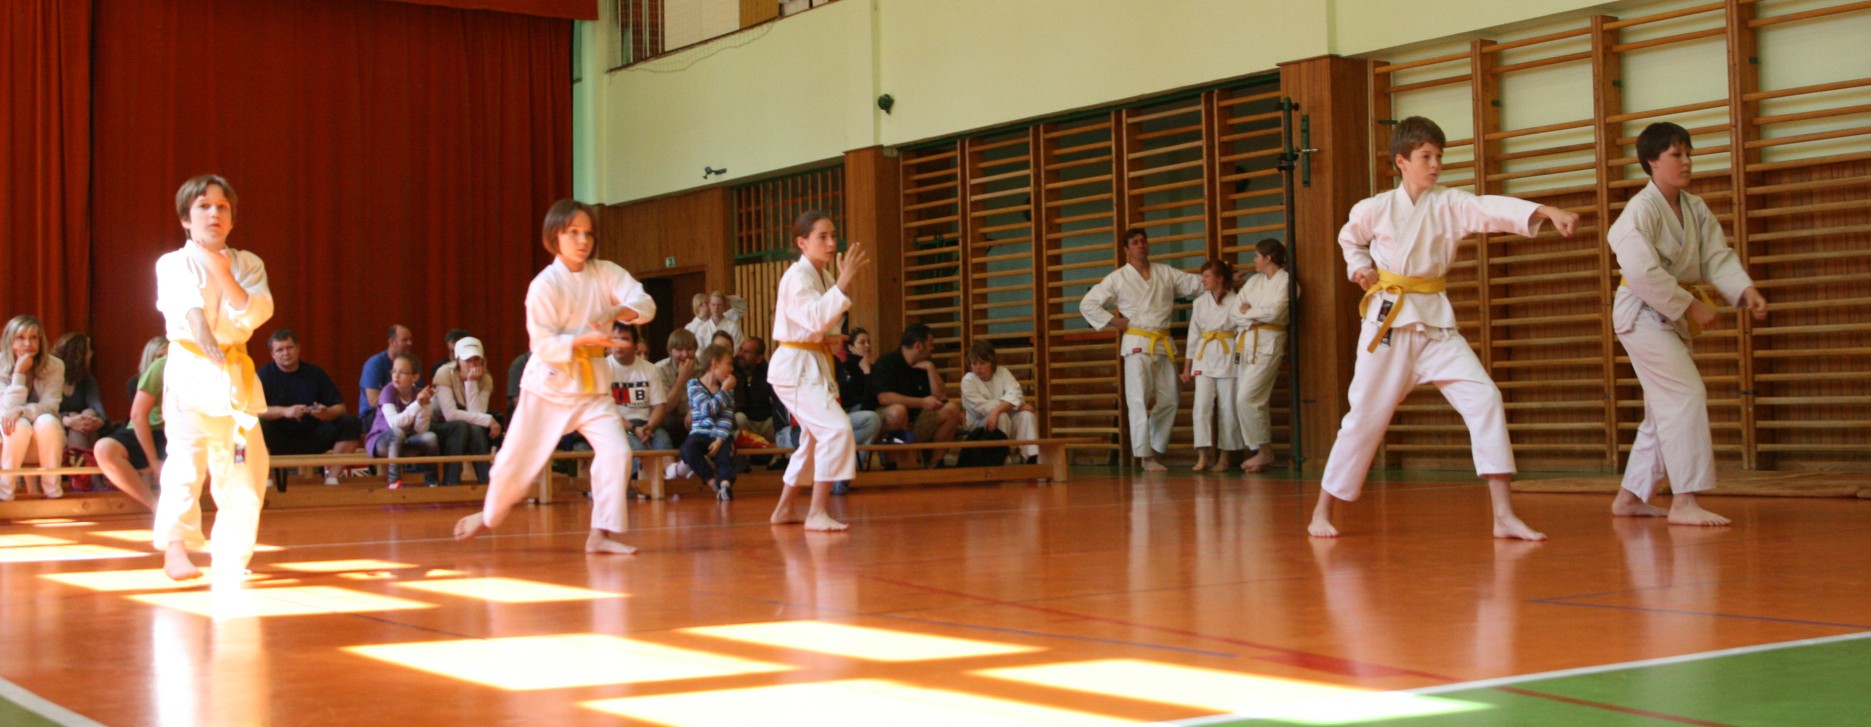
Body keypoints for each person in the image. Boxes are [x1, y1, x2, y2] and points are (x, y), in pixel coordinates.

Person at [1310, 117, 1577, 540]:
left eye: (1439, 156)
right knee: (1365, 415)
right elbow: (1349, 239)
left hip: (1435, 324)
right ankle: (1322, 510)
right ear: (1402, 161)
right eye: (1426, 157)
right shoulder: (1374, 208)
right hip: (1390, 322)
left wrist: (1545, 210)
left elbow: (1490, 208)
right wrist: (1360, 268)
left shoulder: (1449, 203)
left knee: (1485, 398)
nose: (1435, 165)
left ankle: (1503, 515)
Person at [455, 199, 653, 554]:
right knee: (516, 461)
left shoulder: (605, 272)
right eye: (573, 232)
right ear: (554, 236)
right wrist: (583, 340)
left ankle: (600, 534)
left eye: (588, 233)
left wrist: (620, 309)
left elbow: (644, 303)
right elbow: (542, 343)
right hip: (549, 386)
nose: (583, 241)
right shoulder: (544, 285)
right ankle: (488, 515)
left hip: (592, 389)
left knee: (618, 453)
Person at [1607, 122, 1768, 527]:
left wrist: (1744, 289)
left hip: (1667, 315)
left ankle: (1630, 497)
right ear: (1652, 161)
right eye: (1676, 155)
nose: (1686, 162)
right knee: (1685, 394)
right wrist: (1690, 305)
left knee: (1664, 409)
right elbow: (1639, 272)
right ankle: (1684, 501)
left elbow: (1716, 256)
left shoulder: (1694, 207)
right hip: (1641, 313)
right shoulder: (1640, 210)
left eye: (1688, 154)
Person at [152, 174, 275, 581]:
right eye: (203, 206)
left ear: (232, 218)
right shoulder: (173, 262)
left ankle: (231, 558)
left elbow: (255, 313)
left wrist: (223, 271)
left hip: (234, 374)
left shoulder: (248, 263)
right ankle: (175, 549)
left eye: (222, 207)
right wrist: (204, 337)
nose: (214, 213)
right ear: (186, 219)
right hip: (191, 370)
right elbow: (185, 304)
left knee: (245, 469)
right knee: (185, 463)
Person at [768, 210, 871, 530]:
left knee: (813, 439)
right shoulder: (797, 277)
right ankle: (816, 512)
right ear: (802, 242)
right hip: (795, 367)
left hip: (812, 362)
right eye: (822, 237)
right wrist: (844, 281)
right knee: (836, 429)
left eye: (833, 236)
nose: (831, 243)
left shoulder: (822, 276)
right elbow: (814, 319)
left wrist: (828, 337)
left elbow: (820, 326)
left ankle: (784, 510)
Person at [1079, 228, 1204, 472]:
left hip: (1163, 343)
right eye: (1135, 242)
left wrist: (1224, 279)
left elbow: (1196, 284)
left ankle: (1154, 448)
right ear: (1126, 249)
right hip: (1137, 343)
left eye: (1144, 241)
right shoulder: (1117, 278)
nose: (1141, 246)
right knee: (1138, 400)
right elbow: (1088, 304)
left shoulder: (1165, 272)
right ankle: (1145, 458)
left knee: (1170, 399)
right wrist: (1115, 321)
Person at [256, 329, 364, 484]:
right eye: (280, 350)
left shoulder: (315, 373)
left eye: (289, 347)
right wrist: (285, 411)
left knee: (351, 422)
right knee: (254, 425)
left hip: (313, 435)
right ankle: (264, 479)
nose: (286, 353)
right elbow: (254, 410)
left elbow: (341, 407)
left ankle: (332, 478)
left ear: (298, 348)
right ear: (272, 355)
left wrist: (327, 412)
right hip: (279, 438)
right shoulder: (264, 375)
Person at [868, 323, 963, 467]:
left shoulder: (924, 364)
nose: (932, 348)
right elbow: (884, 398)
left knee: (952, 410)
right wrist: (921, 402)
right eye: (930, 344)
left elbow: (941, 397)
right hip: (886, 423)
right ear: (918, 345)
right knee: (898, 411)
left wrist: (931, 369)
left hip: (916, 421)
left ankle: (936, 465)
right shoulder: (887, 361)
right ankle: (892, 464)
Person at [1233, 239, 1291, 472]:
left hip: (1269, 343)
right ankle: (1262, 451)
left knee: (1247, 397)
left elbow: (1276, 313)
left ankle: (1264, 451)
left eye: (1257, 256)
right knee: (1255, 400)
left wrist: (1250, 312)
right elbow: (1235, 311)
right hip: (1246, 341)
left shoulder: (1285, 281)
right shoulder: (1254, 281)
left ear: (1268, 258)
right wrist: (1252, 315)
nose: (1254, 260)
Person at [1183, 259, 1243, 472]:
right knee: (1201, 407)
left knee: (1228, 408)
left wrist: (1240, 363)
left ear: (1220, 278)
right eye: (1203, 276)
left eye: (1207, 276)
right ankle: (1203, 456)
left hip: (1228, 355)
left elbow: (1242, 333)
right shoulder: (1200, 303)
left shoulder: (1236, 301)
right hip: (1204, 355)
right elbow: (1193, 335)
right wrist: (1187, 367)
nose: (1203, 280)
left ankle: (1225, 456)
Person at [94, 341, 167, 510]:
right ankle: (154, 505)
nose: (164, 359)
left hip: (177, 432)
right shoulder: (142, 379)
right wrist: (153, 460)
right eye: (159, 356)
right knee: (104, 449)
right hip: (144, 431)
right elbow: (138, 416)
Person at [0, 315, 67, 500]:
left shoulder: (55, 365)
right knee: (18, 425)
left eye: (33, 337)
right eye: (20, 338)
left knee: (48, 421)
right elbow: (5, 412)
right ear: (10, 341)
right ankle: (5, 493)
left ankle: (53, 491)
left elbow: (51, 406)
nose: (28, 344)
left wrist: (22, 410)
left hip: (43, 440)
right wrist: (19, 373)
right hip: (6, 441)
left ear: (40, 340)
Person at [433, 336, 502, 485]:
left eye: (476, 359)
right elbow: (450, 415)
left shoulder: (486, 379)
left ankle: (486, 482)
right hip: (439, 424)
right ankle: (451, 482)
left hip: (466, 427)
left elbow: (478, 414)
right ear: (458, 360)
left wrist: (471, 382)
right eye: (467, 360)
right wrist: (489, 420)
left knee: (475, 428)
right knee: (460, 426)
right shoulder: (444, 373)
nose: (472, 364)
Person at [960, 340, 1040, 464]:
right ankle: (1002, 458)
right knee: (1001, 416)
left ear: (992, 362)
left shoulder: (1003, 373)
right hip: (980, 425)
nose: (978, 367)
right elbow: (980, 407)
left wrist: (998, 410)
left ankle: (1031, 457)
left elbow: (1016, 394)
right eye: (974, 363)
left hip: (1005, 417)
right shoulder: (968, 381)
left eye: (982, 363)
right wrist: (1015, 406)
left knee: (1026, 415)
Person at [367, 352, 439, 487]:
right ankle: (394, 482)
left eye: (402, 372)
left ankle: (432, 482)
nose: (396, 376)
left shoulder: (417, 393)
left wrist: (426, 405)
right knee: (397, 432)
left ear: (415, 377)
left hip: (405, 440)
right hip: (382, 441)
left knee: (430, 437)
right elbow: (394, 423)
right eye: (394, 371)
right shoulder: (388, 391)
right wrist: (417, 404)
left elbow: (420, 430)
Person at [683, 343, 739, 500]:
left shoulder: (728, 389)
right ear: (714, 364)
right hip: (699, 433)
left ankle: (725, 486)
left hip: (720, 433)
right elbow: (707, 409)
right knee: (689, 450)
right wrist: (724, 391)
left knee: (725, 454)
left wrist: (720, 440)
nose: (731, 369)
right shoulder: (693, 385)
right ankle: (712, 482)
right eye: (728, 364)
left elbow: (727, 417)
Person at [605, 323, 671, 455]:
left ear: (635, 345)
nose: (618, 344)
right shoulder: (603, 368)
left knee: (663, 444)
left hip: (646, 425)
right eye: (614, 339)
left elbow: (659, 406)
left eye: (624, 339)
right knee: (638, 449)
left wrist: (649, 427)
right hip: (619, 427)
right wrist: (634, 430)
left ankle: (671, 469)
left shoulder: (650, 369)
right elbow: (606, 412)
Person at [51, 333, 108, 450]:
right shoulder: (51, 377)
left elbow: (97, 405)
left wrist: (98, 421)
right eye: (88, 351)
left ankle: (81, 457)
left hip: (83, 426)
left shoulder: (86, 378)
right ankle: (85, 458)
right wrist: (68, 419)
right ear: (78, 356)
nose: (91, 354)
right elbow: (46, 410)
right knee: (74, 416)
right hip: (57, 425)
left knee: (89, 413)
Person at [359, 324, 415, 427]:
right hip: (374, 415)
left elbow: (416, 393)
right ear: (392, 342)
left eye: (410, 340)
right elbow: (373, 401)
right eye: (405, 340)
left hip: (403, 412)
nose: (409, 343)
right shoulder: (374, 365)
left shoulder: (413, 364)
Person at [655, 329, 700, 447]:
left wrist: (694, 410)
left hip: (695, 415)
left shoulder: (702, 366)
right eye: (679, 350)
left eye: (689, 349)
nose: (685, 355)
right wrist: (682, 378)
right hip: (671, 418)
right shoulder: (659, 369)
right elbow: (666, 407)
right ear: (670, 351)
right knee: (668, 421)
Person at [734, 336, 782, 442]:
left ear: (759, 358)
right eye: (741, 349)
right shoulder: (732, 369)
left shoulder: (769, 372)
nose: (740, 354)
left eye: (746, 352)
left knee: (777, 423)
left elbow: (777, 400)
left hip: (764, 423)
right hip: (745, 422)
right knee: (739, 418)